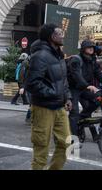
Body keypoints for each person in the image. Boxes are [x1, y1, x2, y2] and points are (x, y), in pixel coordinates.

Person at [25, 24, 72, 170]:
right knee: (41, 148)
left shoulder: (59, 55)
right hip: (43, 108)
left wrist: (68, 97)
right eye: (59, 33)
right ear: (51, 36)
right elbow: (32, 83)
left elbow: (63, 81)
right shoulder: (40, 56)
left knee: (66, 143)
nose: (62, 35)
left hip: (60, 107)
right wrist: (54, 94)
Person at [67, 40, 102, 139]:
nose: (91, 49)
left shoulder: (93, 60)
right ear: (83, 49)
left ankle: (81, 119)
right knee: (74, 112)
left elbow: (98, 74)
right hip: (74, 88)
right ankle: (73, 138)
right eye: (89, 47)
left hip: (84, 88)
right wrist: (87, 86)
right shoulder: (76, 60)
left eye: (92, 47)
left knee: (99, 98)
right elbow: (76, 75)